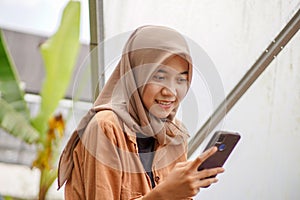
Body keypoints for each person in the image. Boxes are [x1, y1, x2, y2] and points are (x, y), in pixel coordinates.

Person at [57, 25, 224, 199]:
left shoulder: (173, 134)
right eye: (160, 77)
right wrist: (164, 194)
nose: (171, 91)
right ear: (136, 75)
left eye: (181, 79)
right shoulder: (106, 127)